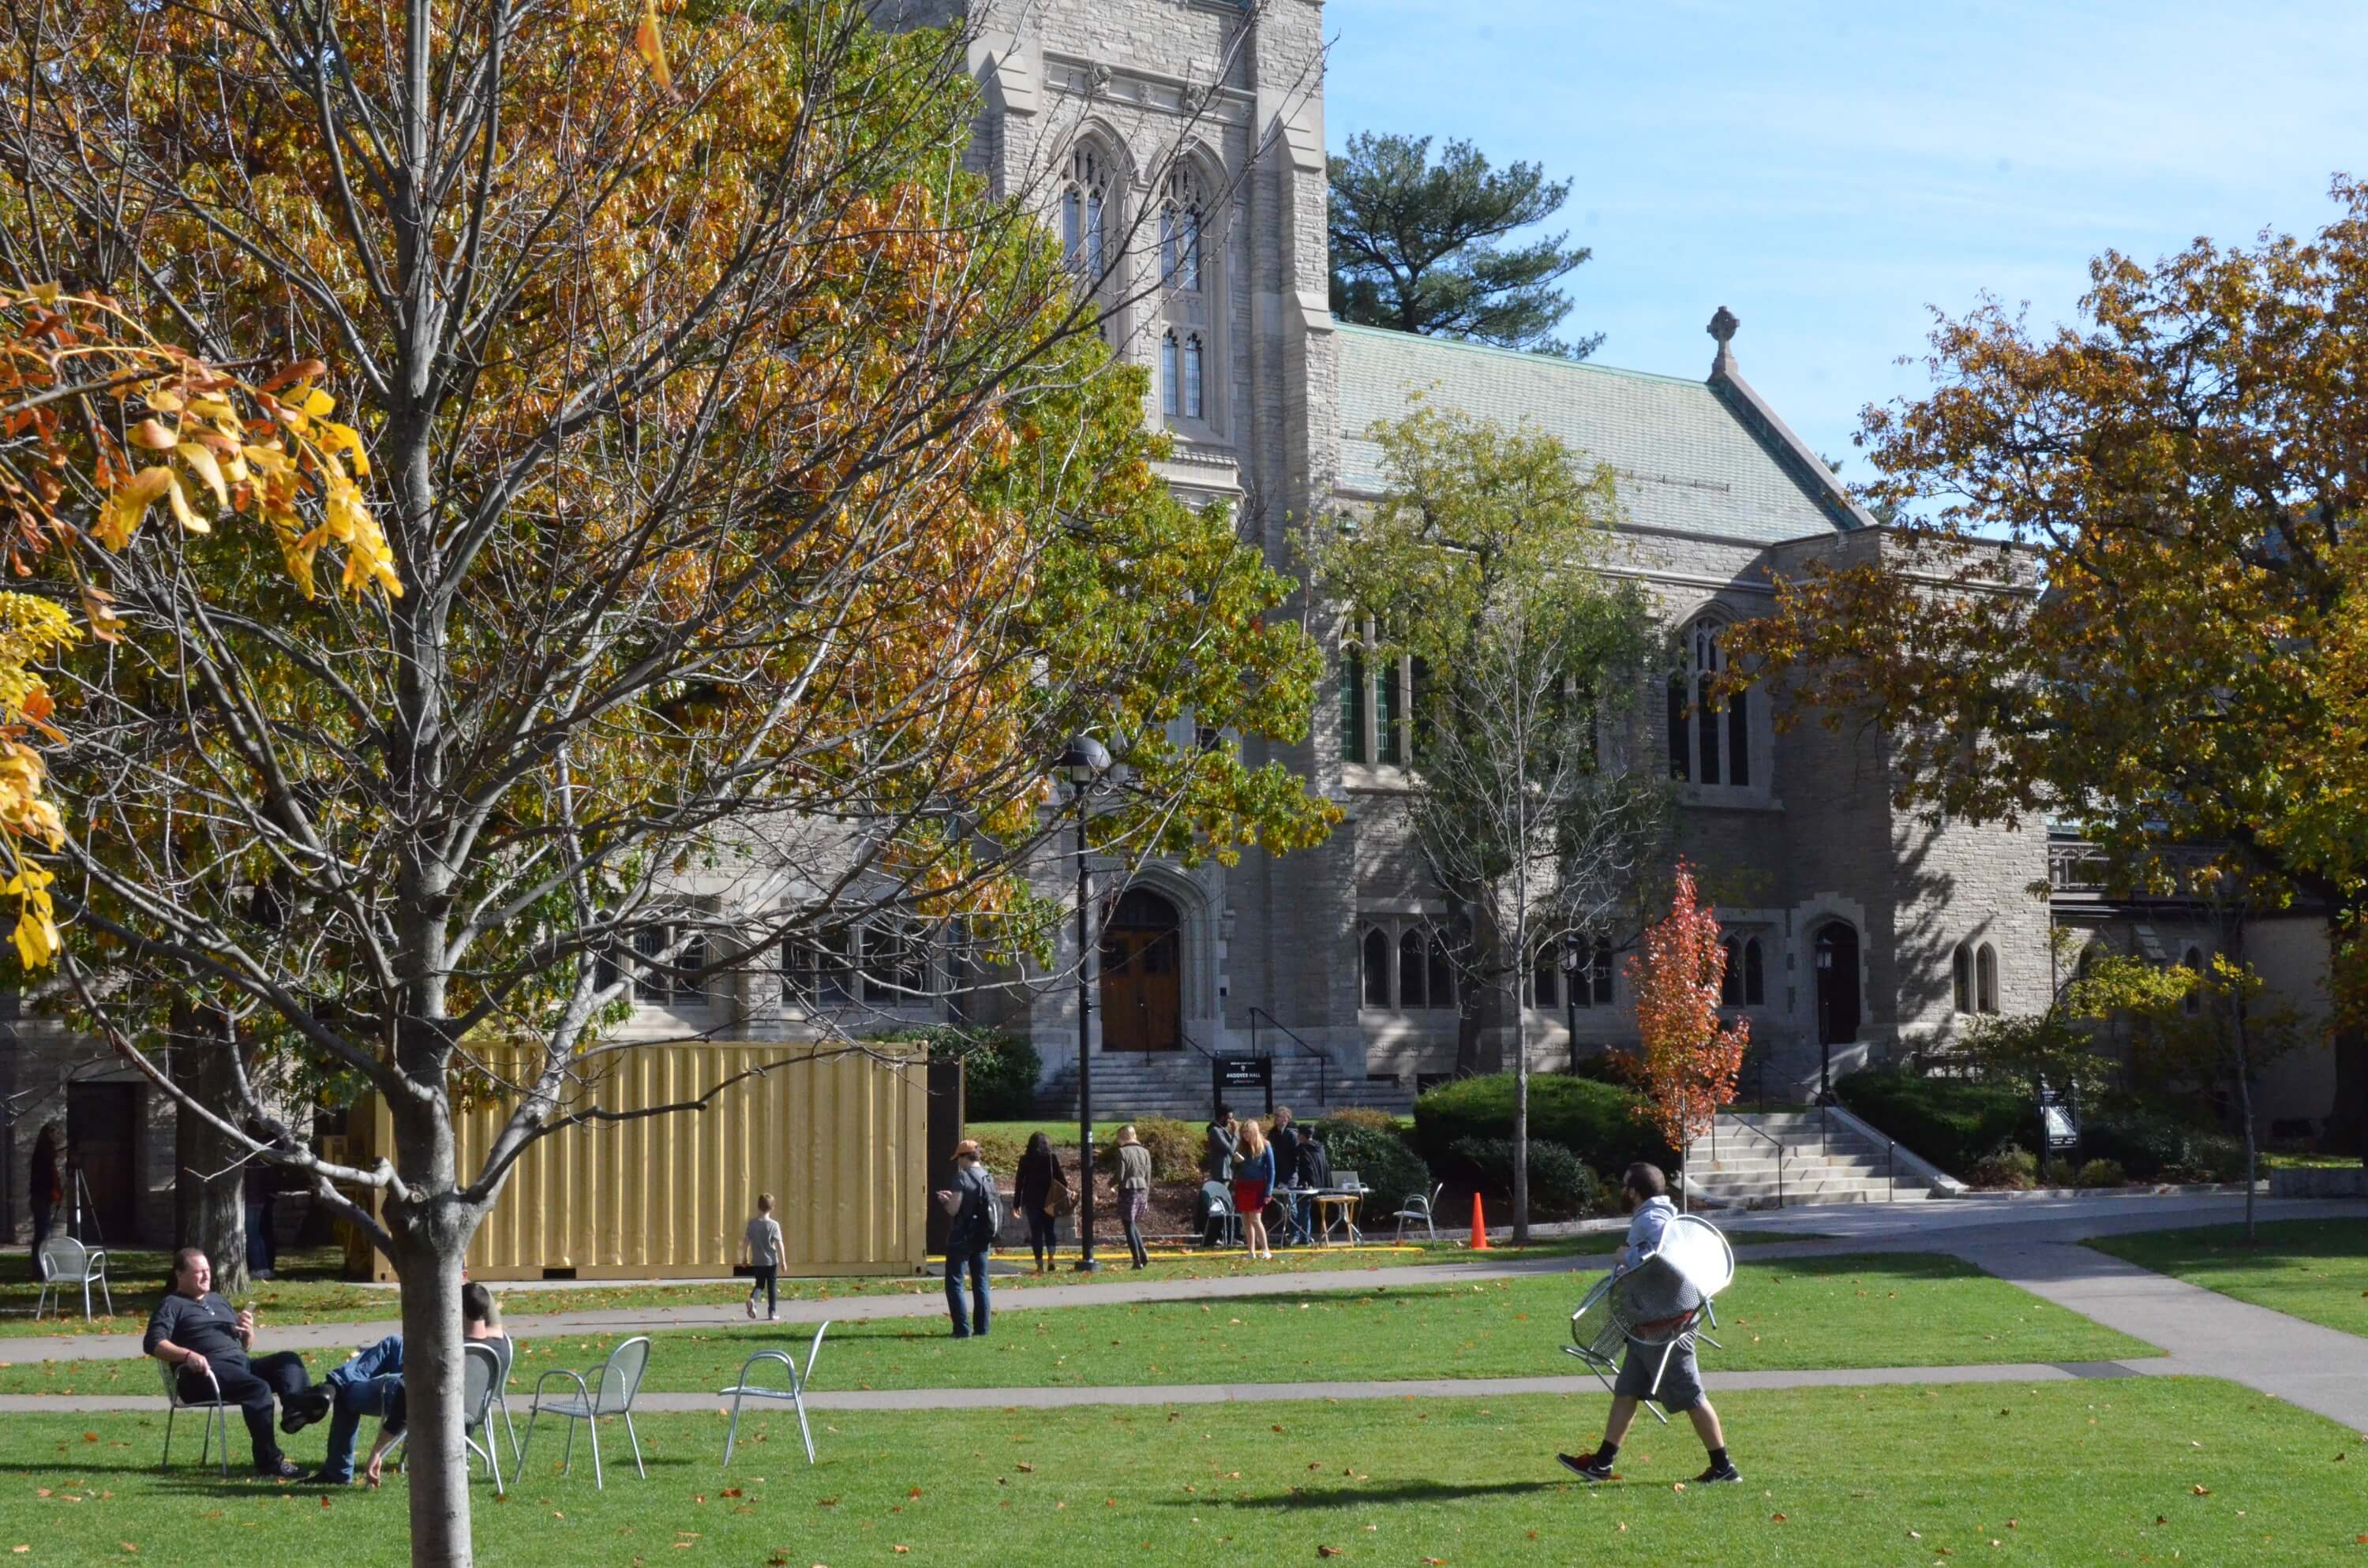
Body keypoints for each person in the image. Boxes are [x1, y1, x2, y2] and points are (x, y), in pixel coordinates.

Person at [1557, 1162, 1740, 1486]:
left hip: (1666, 1331)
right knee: (1626, 1391)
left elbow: (1663, 1255)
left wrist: (1625, 1257)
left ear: (1634, 1191)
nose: (1621, 1190)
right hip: (1646, 1328)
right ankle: (1601, 1464)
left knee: (1692, 1397)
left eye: (1624, 1185)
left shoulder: (1654, 1219)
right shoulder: (1658, 1215)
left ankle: (1724, 1468)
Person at [144, 1248, 329, 1479]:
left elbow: (244, 1347)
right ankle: (269, 1464)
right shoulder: (171, 1304)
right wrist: (188, 1355)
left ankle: (295, 1409)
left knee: (288, 1360)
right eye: (198, 1272)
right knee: (257, 1389)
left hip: (238, 1366)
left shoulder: (219, 1301)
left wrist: (247, 1331)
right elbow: (153, 1343)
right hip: (203, 1375)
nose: (206, 1276)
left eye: (208, 1271)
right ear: (180, 1275)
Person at [316, 1280, 513, 1487]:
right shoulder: (500, 1347)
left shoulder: (446, 1354)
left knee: (347, 1395)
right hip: (474, 1408)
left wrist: (377, 1451)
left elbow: (406, 1401)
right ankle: (332, 1384)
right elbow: (490, 1330)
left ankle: (338, 1470)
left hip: (424, 1401)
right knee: (393, 1344)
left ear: (457, 1310)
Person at [935, 1139, 998, 1338]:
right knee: (980, 1282)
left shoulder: (961, 1178)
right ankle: (983, 1328)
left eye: (958, 1158)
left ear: (965, 1157)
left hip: (962, 1237)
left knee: (955, 1282)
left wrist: (945, 1201)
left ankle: (962, 1330)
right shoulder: (988, 1176)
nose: (958, 1163)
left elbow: (954, 1209)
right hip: (983, 1236)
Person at [1014, 1132, 1070, 1272]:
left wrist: (1016, 1204)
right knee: (1050, 1230)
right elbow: (1062, 1180)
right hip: (1049, 1200)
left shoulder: (1025, 1159)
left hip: (1031, 1200)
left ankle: (1039, 1264)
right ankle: (1051, 1258)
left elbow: (1019, 1183)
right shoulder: (1051, 1158)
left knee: (1036, 1232)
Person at [1231, 1118, 1275, 1260]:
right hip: (1243, 1184)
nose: (1245, 1135)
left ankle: (1266, 1250)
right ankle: (1251, 1251)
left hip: (1257, 1185)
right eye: (1243, 1132)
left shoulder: (1265, 1145)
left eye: (1248, 1132)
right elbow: (1234, 1169)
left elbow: (1271, 1170)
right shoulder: (1241, 1146)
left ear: (1254, 1132)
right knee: (1245, 1219)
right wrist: (1235, 1162)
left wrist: (1268, 1191)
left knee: (1256, 1219)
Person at [1114, 1125, 1153, 1269]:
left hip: (1128, 1190)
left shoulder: (1122, 1152)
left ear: (1122, 1137)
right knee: (1133, 1223)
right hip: (1143, 1189)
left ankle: (1137, 1260)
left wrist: (1110, 1183)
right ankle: (1143, 1253)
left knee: (1128, 1224)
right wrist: (1147, 1194)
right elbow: (1148, 1175)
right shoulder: (1145, 1152)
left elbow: (1120, 1175)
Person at [744, 1192, 785, 1320]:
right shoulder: (774, 1225)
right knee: (772, 1286)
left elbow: (746, 1241)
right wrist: (783, 1261)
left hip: (757, 1261)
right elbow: (779, 1244)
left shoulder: (752, 1224)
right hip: (771, 1262)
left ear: (758, 1207)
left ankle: (752, 1299)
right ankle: (772, 1312)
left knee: (759, 1285)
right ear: (773, 1208)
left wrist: (744, 1257)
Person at [1294, 1124, 1333, 1242]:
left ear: (1301, 1135)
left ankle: (1304, 1237)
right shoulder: (1320, 1147)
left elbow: (1306, 1168)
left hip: (1308, 1185)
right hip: (1322, 1184)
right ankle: (1305, 1236)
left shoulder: (1303, 1148)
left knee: (1303, 1209)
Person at [27, 1122, 59, 1258]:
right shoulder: (43, 1154)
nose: (55, 1136)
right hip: (41, 1197)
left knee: (42, 1234)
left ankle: (41, 1268)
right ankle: (40, 1269)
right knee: (42, 1234)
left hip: (41, 1197)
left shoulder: (42, 1153)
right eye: (53, 1133)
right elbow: (45, 1177)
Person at [1203, 1105, 1238, 1183]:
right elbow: (1230, 1149)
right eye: (1229, 1118)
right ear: (1222, 1117)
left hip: (1229, 1172)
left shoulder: (1223, 1129)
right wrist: (1235, 1132)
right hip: (1221, 1173)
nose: (1231, 1121)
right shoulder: (1215, 1131)